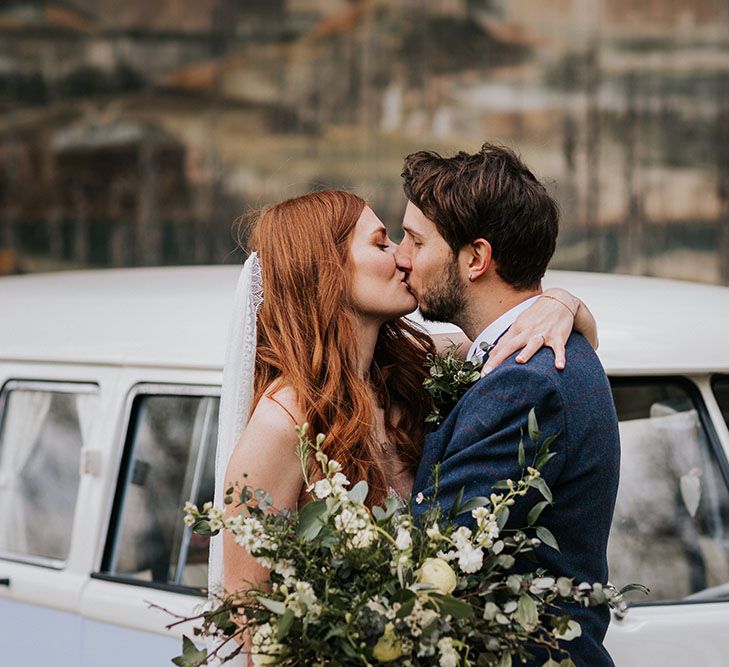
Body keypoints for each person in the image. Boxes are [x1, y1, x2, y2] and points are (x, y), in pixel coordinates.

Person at [210, 189, 598, 664]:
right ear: (326, 269)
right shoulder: (282, 423)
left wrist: (562, 302)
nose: (403, 257)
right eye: (381, 243)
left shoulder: (415, 367)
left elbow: (519, 337)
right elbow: (254, 625)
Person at [396, 144, 621, 666]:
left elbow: (436, 562)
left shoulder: (522, 384)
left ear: (475, 258)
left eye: (415, 239)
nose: (403, 256)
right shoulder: (534, 362)